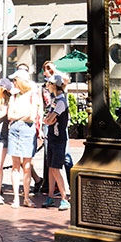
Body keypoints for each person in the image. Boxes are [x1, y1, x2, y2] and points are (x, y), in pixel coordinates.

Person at [7, 70, 40, 208]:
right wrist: (22, 115)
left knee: (26, 166)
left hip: (27, 130)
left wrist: (17, 115)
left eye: (15, 80)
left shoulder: (33, 95)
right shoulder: (13, 96)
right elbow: (9, 115)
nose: (13, 82)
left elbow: (32, 116)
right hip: (15, 130)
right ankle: (16, 198)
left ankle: (26, 197)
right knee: (15, 165)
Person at [41, 74, 70, 211]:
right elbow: (48, 119)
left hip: (59, 139)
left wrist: (48, 120)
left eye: (50, 84)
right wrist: (48, 120)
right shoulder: (54, 100)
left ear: (55, 85)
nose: (48, 86)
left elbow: (49, 119)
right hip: (52, 137)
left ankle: (64, 198)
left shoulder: (61, 102)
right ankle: (50, 196)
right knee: (51, 168)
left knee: (56, 168)